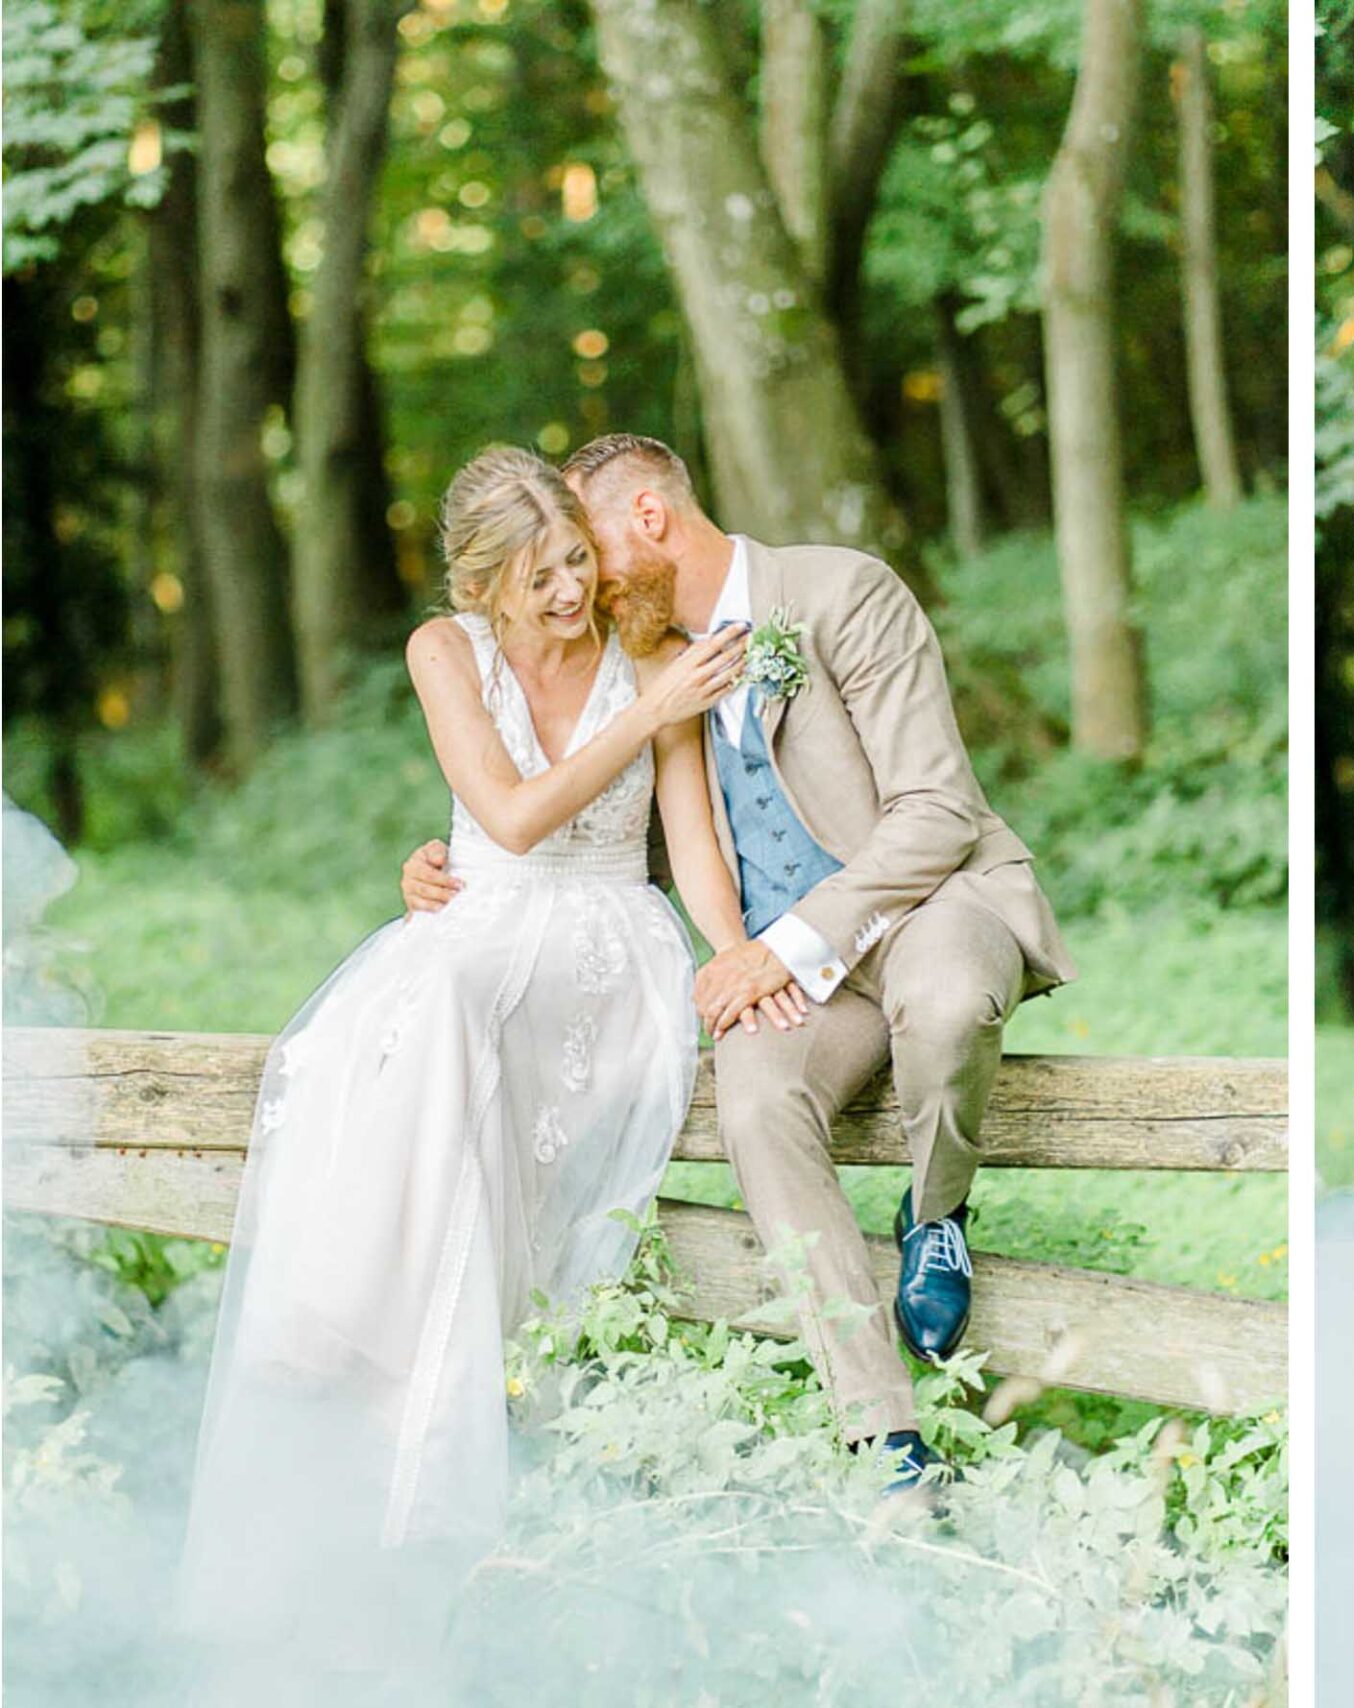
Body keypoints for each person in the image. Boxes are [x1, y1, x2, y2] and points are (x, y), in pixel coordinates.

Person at [175, 447, 754, 1675]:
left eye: (578, 564)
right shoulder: (445, 654)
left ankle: (393, 1378)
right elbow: (505, 817)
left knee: (446, 1007)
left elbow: (691, 841)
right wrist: (644, 720)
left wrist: (742, 955)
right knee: (403, 1008)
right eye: (539, 576)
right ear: (484, 584)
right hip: (475, 923)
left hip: (604, 945)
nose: (567, 594)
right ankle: (354, 1349)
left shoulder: (645, 653)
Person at [399, 436, 1074, 1478]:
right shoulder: (643, 656)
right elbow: (597, 817)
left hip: (922, 906)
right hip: (779, 966)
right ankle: (883, 1432)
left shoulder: (842, 592)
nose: (582, 577)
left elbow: (938, 812)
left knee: (941, 1002)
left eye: (591, 548)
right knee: (757, 1106)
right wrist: (450, 864)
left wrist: (785, 944)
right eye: (557, 560)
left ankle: (935, 1214)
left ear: (649, 521)